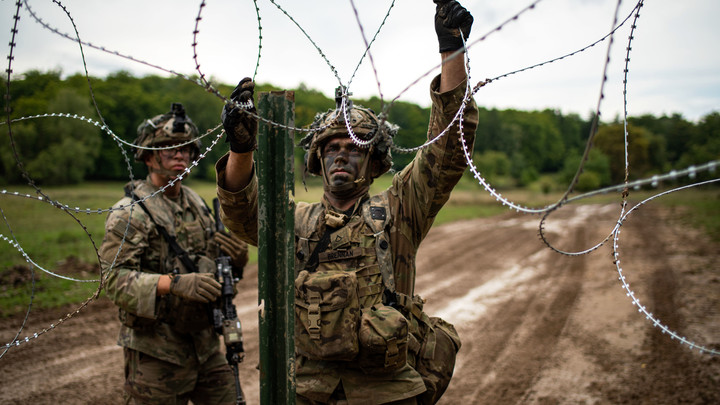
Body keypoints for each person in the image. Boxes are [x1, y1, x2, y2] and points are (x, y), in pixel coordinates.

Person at [216, 1, 477, 403]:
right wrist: (240, 148)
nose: (341, 154)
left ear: (375, 163)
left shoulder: (398, 211)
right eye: (332, 147)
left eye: (354, 147)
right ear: (318, 161)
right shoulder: (297, 223)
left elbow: (448, 151)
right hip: (305, 390)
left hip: (384, 392)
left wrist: (451, 51)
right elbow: (242, 211)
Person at [99, 103, 249, 404]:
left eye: (186, 149)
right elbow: (114, 280)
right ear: (150, 156)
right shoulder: (130, 214)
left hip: (205, 345)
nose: (180, 154)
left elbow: (212, 267)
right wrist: (173, 283)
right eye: (169, 148)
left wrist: (236, 262)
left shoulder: (197, 204)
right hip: (157, 351)